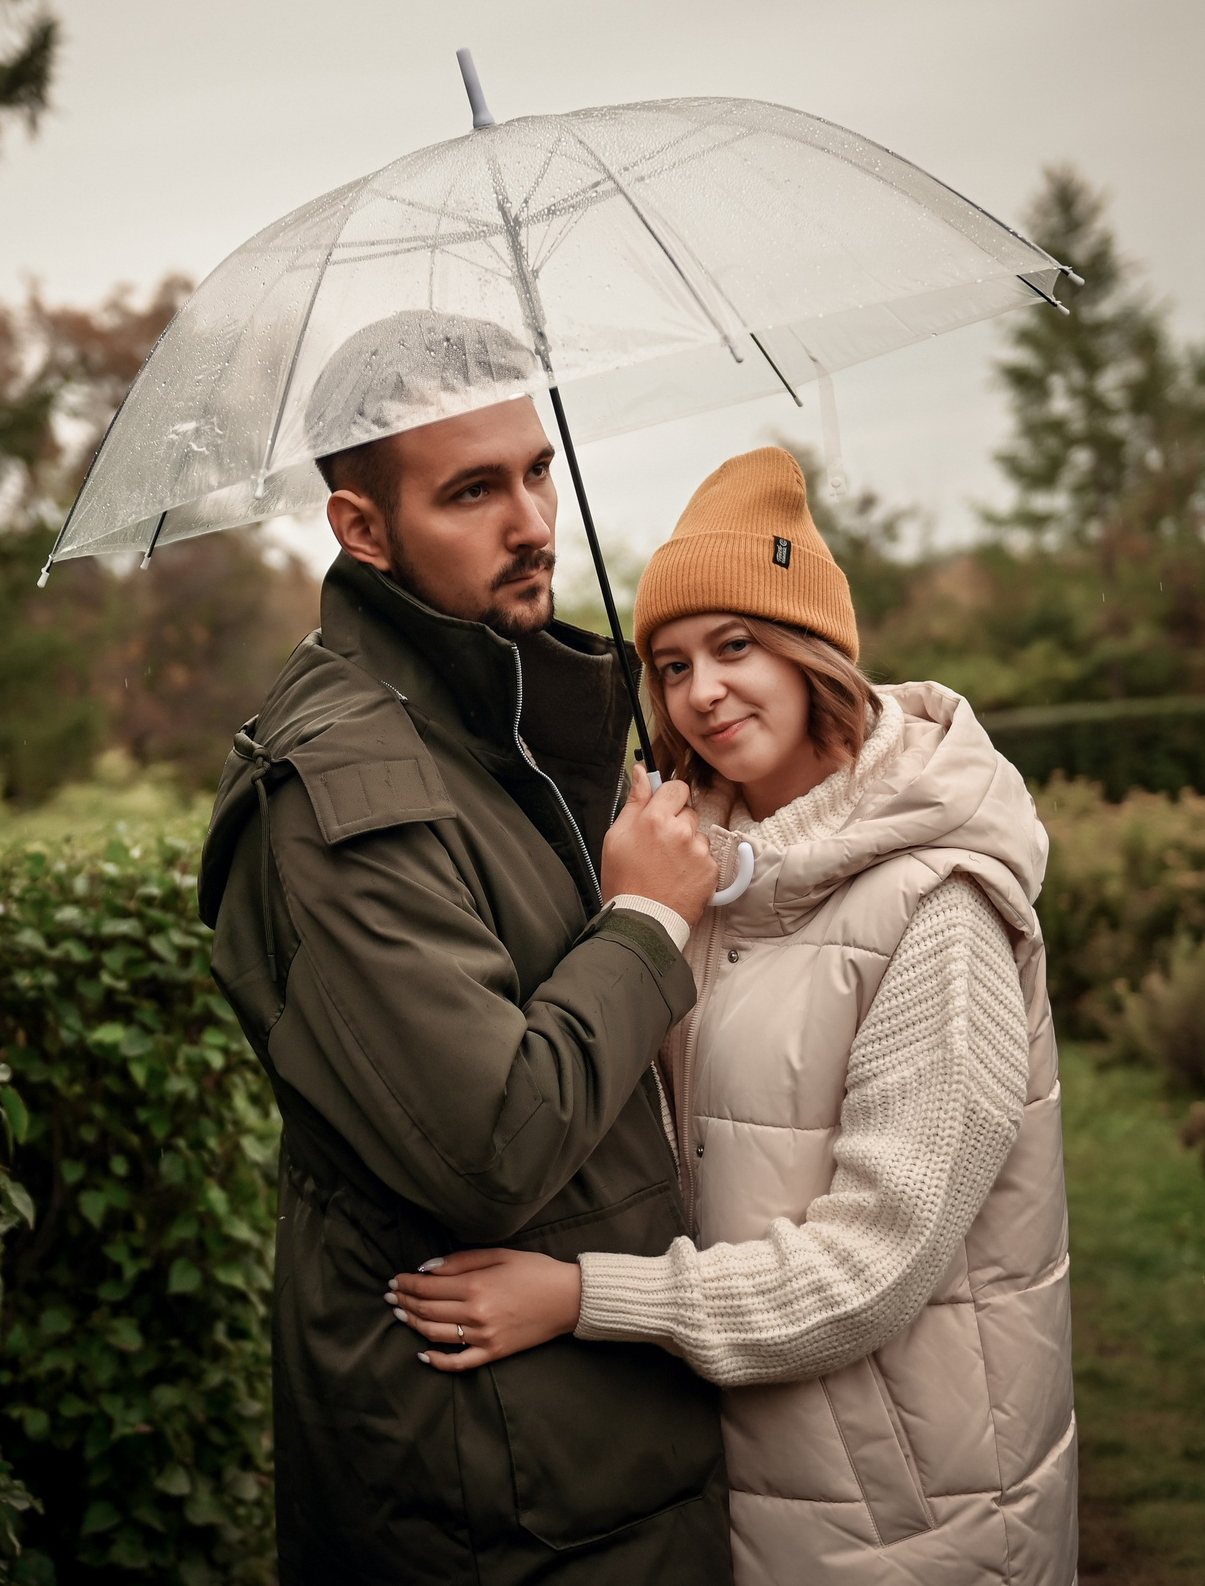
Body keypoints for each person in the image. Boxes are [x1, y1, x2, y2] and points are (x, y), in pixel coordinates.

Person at [389, 447, 1078, 1586]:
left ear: (814, 655)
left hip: (908, 1513)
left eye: (735, 646)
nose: (699, 692)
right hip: (734, 1479)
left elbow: (873, 1266)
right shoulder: (687, 876)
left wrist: (578, 1296)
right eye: (667, 664)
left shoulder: (937, 904)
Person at [198, 311, 735, 1585]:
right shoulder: (342, 789)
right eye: (474, 491)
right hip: (499, 1493)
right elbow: (492, 1142)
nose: (533, 523)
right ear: (363, 530)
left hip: (604, 1445)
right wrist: (647, 920)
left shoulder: (500, 717)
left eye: (538, 471)